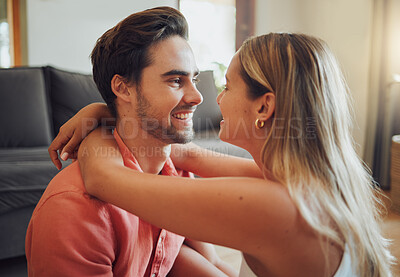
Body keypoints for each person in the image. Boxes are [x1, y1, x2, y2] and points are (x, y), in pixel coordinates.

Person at [50, 33, 395, 276]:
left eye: (227, 86)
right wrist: (108, 109)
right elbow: (188, 156)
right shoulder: (310, 181)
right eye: (176, 81)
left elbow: (103, 179)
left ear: (265, 106)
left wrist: (102, 122)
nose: (207, 98)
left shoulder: (274, 206)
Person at [26, 7, 237, 277]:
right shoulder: (75, 210)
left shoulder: (178, 172)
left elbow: (210, 262)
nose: (198, 97)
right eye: (175, 80)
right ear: (123, 88)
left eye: (193, 79)